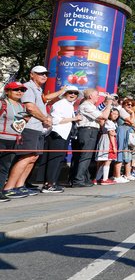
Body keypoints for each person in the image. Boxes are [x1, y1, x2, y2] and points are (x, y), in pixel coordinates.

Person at [4, 66, 52, 197]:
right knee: (26, 156)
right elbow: (30, 107)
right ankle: (9, 187)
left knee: (33, 157)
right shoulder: (28, 87)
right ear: (32, 75)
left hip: (37, 128)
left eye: (45, 74)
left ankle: (20, 186)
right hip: (29, 127)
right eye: (40, 73)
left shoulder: (38, 89)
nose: (44, 76)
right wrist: (45, 119)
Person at [40, 85, 82, 193]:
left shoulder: (69, 105)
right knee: (54, 159)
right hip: (57, 134)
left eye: (75, 93)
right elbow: (55, 120)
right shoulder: (60, 104)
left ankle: (52, 183)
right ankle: (48, 184)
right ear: (65, 93)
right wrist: (74, 118)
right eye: (70, 92)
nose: (73, 94)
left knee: (59, 159)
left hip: (64, 134)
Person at [71, 88, 113, 187]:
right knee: (85, 156)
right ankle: (78, 180)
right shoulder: (86, 106)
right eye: (96, 95)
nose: (98, 97)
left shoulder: (91, 106)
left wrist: (105, 103)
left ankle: (84, 178)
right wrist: (109, 105)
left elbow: (99, 114)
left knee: (86, 156)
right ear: (90, 96)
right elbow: (104, 116)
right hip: (87, 131)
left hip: (90, 131)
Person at [0, 82, 30, 201]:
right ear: (7, 91)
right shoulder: (2, 103)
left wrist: (25, 120)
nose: (19, 92)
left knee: (4, 167)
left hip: (13, 140)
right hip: (1, 138)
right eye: (16, 89)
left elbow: (19, 124)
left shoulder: (22, 106)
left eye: (22, 90)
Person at [95, 108, 119, 185]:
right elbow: (111, 135)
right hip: (108, 141)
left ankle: (97, 179)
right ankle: (105, 179)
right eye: (114, 113)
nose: (115, 115)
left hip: (104, 140)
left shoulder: (110, 122)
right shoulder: (109, 122)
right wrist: (114, 147)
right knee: (108, 160)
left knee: (103, 162)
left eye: (117, 114)